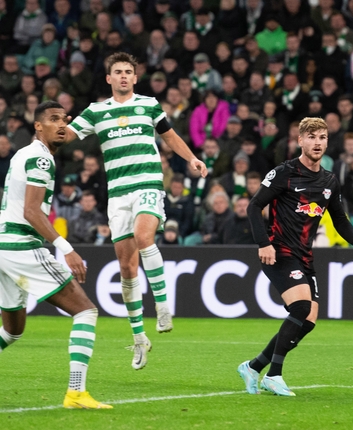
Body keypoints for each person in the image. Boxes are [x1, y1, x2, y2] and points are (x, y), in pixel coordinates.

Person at [64, 52, 209, 370]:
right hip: (118, 195)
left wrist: (192, 158)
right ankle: (139, 338)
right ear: (109, 78)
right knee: (127, 268)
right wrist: (49, 129)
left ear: (135, 77)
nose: (123, 76)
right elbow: (67, 136)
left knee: (145, 238)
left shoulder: (149, 105)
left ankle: (163, 306)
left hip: (147, 185)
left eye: (128, 71)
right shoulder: (96, 112)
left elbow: (169, 136)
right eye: (118, 72)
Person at [237, 117, 353, 397]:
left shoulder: (329, 181)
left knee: (308, 321)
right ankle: (274, 375)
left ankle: (253, 366)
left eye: (322, 137)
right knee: (300, 308)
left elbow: (340, 219)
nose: (317, 143)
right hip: (278, 252)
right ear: (300, 140)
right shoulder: (284, 173)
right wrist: (263, 243)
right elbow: (254, 206)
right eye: (311, 137)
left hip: (304, 256)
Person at [0, 101, 110, 409]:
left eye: (64, 119)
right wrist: (67, 249)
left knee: (12, 330)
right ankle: (76, 392)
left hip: (3, 244)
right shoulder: (40, 158)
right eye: (53, 119)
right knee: (86, 311)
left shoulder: (23, 153)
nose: (61, 124)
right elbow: (32, 211)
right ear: (38, 126)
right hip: (21, 245)